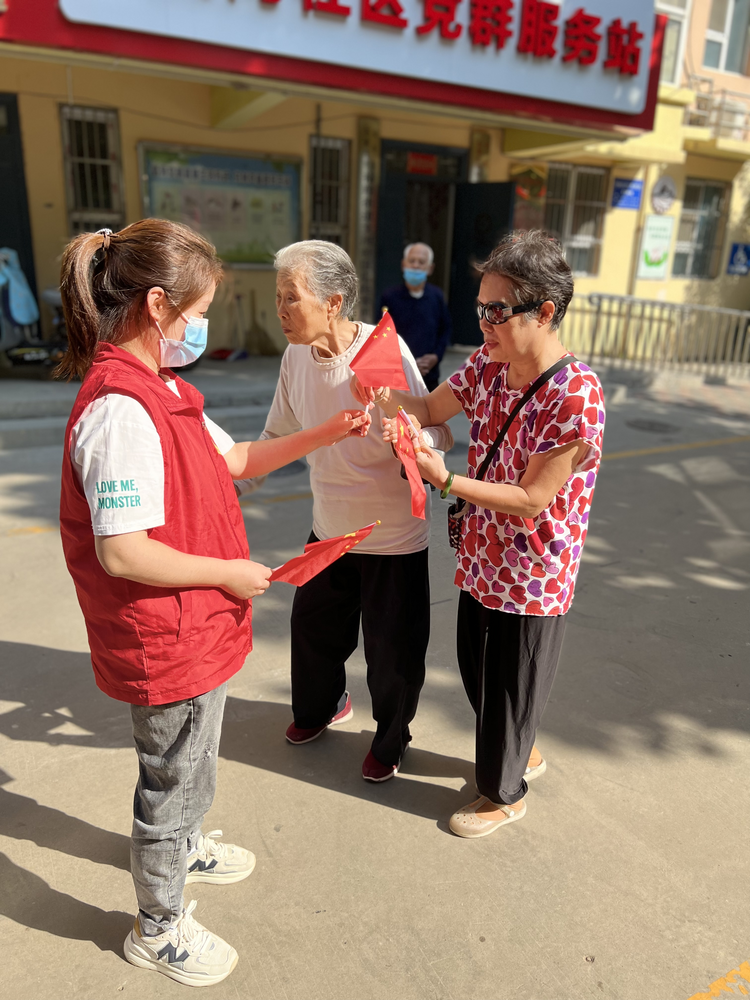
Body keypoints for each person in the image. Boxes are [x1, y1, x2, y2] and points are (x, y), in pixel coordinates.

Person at [57, 220, 369, 986]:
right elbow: (123, 551)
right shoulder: (120, 411)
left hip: (199, 627)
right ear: (158, 305)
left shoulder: (164, 388)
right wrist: (227, 574)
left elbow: (234, 460)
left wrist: (327, 430)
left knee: (194, 761)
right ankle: (158, 924)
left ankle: (185, 844)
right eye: (197, 313)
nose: (203, 327)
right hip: (165, 635)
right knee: (168, 776)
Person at [355, 230, 605, 838]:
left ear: (545, 312)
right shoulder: (487, 367)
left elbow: (532, 499)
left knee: (510, 686)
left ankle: (504, 792)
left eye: (499, 311)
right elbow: (432, 409)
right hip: (481, 560)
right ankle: (522, 748)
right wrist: (374, 391)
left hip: (534, 572)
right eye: (481, 310)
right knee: (478, 674)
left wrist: (447, 480)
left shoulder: (577, 396)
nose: (486, 324)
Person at [238, 239, 453, 783]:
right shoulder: (294, 358)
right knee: (312, 633)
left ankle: (391, 738)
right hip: (330, 532)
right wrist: (238, 482)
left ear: (334, 302)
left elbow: (439, 429)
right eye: (278, 296)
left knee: (391, 656)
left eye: (292, 297)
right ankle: (323, 707)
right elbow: (277, 435)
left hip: (392, 539)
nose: (281, 310)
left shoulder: (385, 353)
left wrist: (409, 433)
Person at [378, 242, 452, 391]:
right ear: (403, 264)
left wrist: (436, 357)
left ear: (430, 268)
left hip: (428, 375)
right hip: (398, 376)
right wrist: (408, 363)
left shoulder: (436, 297)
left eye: (421, 262)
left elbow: (445, 331)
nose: (416, 265)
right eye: (412, 261)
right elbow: (382, 335)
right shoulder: (390, 297)